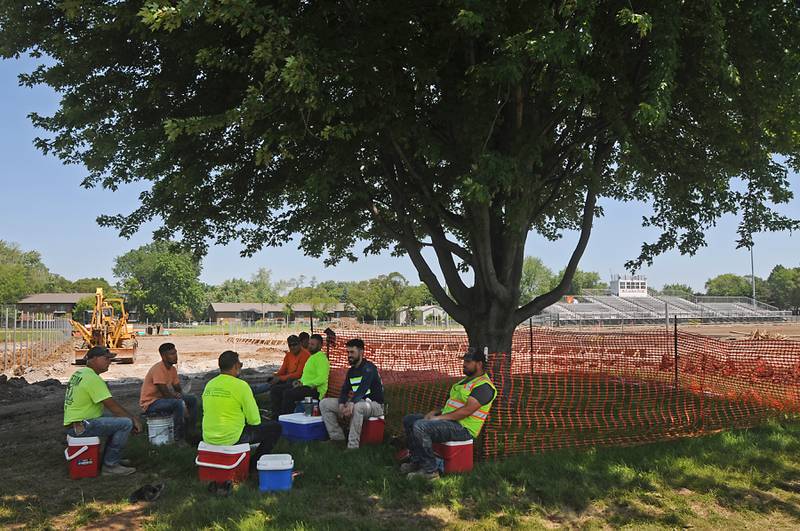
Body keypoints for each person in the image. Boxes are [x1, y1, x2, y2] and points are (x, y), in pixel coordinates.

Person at [401, 348, 497, 480]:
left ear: (479, 364)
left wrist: (438, 419)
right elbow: (451, 405)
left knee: (420, 426)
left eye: (468, 362)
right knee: (410, 420)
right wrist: (434, 413)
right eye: (464, 361)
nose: (464, 364)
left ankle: (430, 472)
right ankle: (417, 462)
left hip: (463, 428)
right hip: (449, 422)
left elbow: (466, 411)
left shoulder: (484, 386)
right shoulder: (464, 382)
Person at [64, 346, 142, 476]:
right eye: (106, 359)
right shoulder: (93, 379)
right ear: (93, 359)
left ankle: (110, 458)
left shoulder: (80, 373)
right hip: (81, 426)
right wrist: (134, 420)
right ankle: (110, 465)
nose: (109, 362)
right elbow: (112, 406)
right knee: (125, 423)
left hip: (77, 423)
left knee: (118, 421)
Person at [202, 350, 281, 466]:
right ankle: (253, 465)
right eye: (240, 364)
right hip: (231, 438)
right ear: (235, 366)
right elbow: (254, 421)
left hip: (209, 437)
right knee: (275, 428)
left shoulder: (210, 384)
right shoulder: (241, 386)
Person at [320, 338, 384, 449]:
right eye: (347, 352)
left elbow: (363, 388)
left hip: (375, 405)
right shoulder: (351, 371)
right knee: (325, 403)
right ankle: (337, 438)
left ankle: (352, 447)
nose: (349, 355)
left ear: (361, 352)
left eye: (352, 352)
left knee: (357, 407)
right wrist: (341, 403)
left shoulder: (369, 368)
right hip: (358, 402)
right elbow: (345, 389)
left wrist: (351, 403)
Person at [139, 342, 199, 441]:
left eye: (175, 353)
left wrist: (183, 396)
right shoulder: (158, 369)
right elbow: (165, 393)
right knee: (178, 404)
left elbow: (178, 389)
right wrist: (182, 403)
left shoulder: (172, 369)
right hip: (151, 403)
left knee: (192, 399)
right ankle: (178, 437)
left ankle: (190, 430)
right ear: (163, 356)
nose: (175, 356)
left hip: (161, 400)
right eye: (172, 354)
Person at [276, 333, 330, 415]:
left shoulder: (321, 359)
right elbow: (306, 377)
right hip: (306, 386)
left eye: (313, 344)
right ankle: (277, 416)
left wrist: (303, 383)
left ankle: (287, 418)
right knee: (277, 390)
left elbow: (321, 379)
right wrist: (299, 381)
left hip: (315, 390)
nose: (310, 346)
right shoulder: (312, 357)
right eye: (309, 344)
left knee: (288, 394)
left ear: (320, 346)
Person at [263, 335, 310, 410]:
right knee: (271, 383)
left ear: (299, 344)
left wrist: (280, 378)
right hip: (288, 379)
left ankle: (280, 414)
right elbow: (282, 370)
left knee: (278, 389)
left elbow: (298, 374)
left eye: (294, 344)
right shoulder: (288, 355)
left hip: (299, 382)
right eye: (290, 345)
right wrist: (275, 376)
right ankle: (276, 412)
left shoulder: (305, 355)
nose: (292, 347)